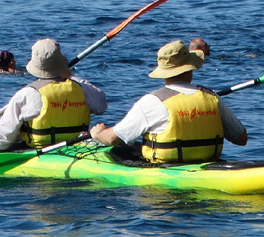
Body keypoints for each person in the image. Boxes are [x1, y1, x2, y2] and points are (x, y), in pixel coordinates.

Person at [90, 40, 247, 163]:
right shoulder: (212, 97)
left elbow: (112, 139)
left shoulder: (152, 101)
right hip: (208, 163)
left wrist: (98, 133)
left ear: (164, 73)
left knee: (119, 149)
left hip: (164, 180)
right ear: (191, 68)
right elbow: (241, 139)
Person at [0, 39, 107, 152]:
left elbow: (1, 140)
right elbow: (102, 105)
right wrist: (70, 76)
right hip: (76, 146)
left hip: (39, 150)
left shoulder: (26, 94)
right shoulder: (82, 89)